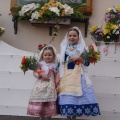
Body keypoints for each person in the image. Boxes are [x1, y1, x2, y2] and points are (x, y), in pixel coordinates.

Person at [57, 26, 100, 119]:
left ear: (78, 37)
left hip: (79, 76)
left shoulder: (82, 49)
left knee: (77, 99)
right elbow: (60, 63)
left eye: (74, 36)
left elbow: (87, 63)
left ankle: (74, 117)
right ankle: (69, 117)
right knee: (68, 98)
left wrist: (79, 58)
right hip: (67, 77)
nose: (72, 37)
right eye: (70, 36)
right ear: (67, 37)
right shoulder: (64, 48)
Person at [27, 45, 59, 120]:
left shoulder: (55, 66)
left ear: (53, 56)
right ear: (42, 55)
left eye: (50, 55)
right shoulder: (40, 64)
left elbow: (57, 76)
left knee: (48, 104)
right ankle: (41, 117)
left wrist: (57, 85)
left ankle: (48, 117)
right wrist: (40, 73)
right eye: (45, 55)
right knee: (41, 104)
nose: (47, 56)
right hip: (40, 87)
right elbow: (35, 73)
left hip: (50, 88)